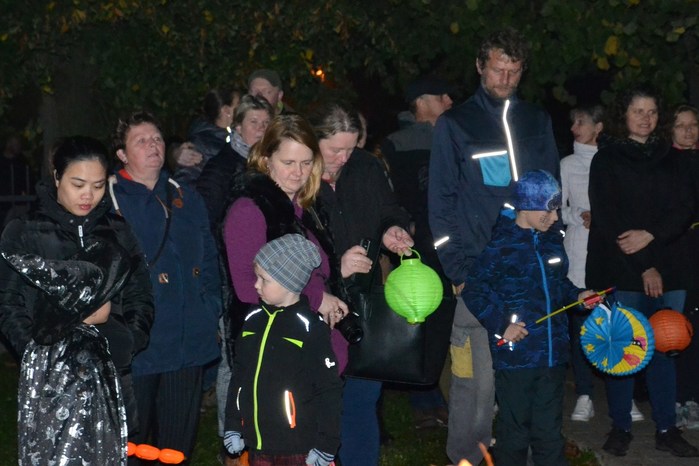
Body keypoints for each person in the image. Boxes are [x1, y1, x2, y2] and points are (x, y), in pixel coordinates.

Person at [428, 27, 560, 465]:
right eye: (498, 69)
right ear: (480, 67)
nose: (505, 79)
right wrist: (459, 272)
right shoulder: (455, 124)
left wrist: (554, 257)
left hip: (531, 276)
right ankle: (467, 458)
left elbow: (553, 194)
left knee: (529, 383)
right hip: (478, 276)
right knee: (476, 385)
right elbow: (440, 203)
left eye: (514, 71)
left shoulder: (537, 121)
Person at [0, 136, 154, 464]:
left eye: (98, 186)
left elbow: (140, 291)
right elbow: (8, 303)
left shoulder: (117, 231)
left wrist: (130, 339)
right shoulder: (26, 232)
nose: (88, 196)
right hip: (52, 383)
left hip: (114, 376)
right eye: (78, 184)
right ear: (57, 177)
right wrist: (38, 354)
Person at [587, 88, 698, 457]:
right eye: (638, 111)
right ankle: (620, 427)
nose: (646, 118)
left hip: (670, 268)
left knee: (666, 349)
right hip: (625, 269)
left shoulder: (673, 158)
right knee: (626, 352)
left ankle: (667, 428)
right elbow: (608, 217)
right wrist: (644, 266)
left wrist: (652, 235)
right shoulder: (607, 159)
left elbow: (685, 208)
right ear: (624, 114)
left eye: (651, 112)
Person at [110, 111, 221, 463]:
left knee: (175, 448)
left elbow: (209, 258)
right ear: (122, 154)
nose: (152, 146)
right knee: (132, 446)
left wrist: (210, 307)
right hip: (139, 345)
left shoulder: (186, 197)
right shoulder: (110, 200)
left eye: (156, 138)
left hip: (187, 341)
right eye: (141, 141)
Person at [466, 170, 594, 465]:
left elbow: (560, 285)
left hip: (553, 356)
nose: (555, 217)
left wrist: (578, 297)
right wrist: (502, 326)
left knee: (549, 433)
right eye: (548, 209)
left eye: (557, 209)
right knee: (514, 434)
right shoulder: (501, 247)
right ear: (525, 206)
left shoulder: (552, 242)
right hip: (517, 358)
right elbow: (474, 290)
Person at [311, 102, 414, 466]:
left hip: (364, 302)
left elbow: (389, 209)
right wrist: (335, 266)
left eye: (350, 148)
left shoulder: (366, 166)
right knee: (322, 400)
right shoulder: (299, 174)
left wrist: (392, 230)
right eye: (334, 150)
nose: (343, 158)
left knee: (362, 397)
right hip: (317, 303)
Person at [223, 233, 342, 466]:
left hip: (298, 447)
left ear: (289, 283)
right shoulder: (252, 320)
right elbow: (239, 378)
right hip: (258, 445)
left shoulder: (309, 328)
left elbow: (328, 389)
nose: (256, 285)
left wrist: (327, 444)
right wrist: (233, 425)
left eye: (264, 279)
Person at [382, 75, 455, 428]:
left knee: (447, 322)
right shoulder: (396, 144)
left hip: (450, 245)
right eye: (442, 95)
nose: (449, 100)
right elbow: (392, 196)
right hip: (414, 248)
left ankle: (444, 397)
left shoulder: (452, 136)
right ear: (422, 101)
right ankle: (423, 399)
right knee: (418, 319)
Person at [668, 105, 699, 429]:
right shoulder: (665, 164)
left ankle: (693, 398)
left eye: (694, 125)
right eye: (681, 125)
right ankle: (678, 400)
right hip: (677, 256)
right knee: (679, 327)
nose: (688, 131)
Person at [176, 87, 241, 184]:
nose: (244, 109)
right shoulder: (200, 144)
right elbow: (185, 182)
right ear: (226, 110)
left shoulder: (234, 138)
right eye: (239, 105)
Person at [0, 133, 35, 227]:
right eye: (15, 144)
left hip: (16, 203)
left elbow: (29, 182)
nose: (18, 147)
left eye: (18, 144)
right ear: (8, 144)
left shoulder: (22, 162)